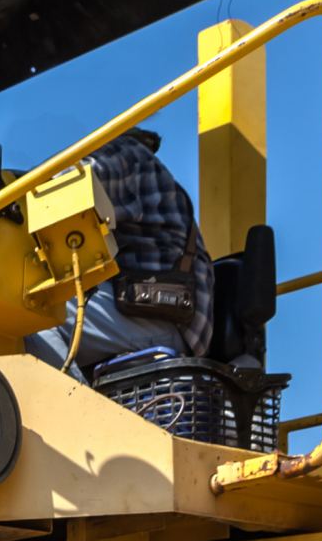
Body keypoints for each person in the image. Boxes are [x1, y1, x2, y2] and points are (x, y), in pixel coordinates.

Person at [27, 126, 216, 375]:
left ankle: (78, 408)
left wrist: (2, 202)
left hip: (164, 320)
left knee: (32, 307)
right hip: (159, 317)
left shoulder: (129, 155)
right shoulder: (147, 169)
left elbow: (64, 190)